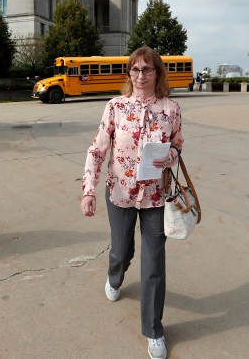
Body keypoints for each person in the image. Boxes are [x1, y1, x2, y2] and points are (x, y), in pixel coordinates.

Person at [81, 46, 183, 359]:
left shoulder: (171, 109)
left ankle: (153, 330)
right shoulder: (115, 106)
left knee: (154, 265)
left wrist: (171, 156)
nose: (141, 75)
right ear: (129, 73)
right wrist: (88, 189)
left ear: (158, 73)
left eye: (147, 69)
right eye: (135, 69)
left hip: (154, 197)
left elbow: (178, 146)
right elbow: (97, 150)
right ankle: (115, 276)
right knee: (121, 250)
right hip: (120, 194)